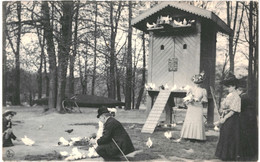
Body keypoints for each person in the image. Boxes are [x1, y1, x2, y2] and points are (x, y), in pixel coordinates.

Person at [175, 71, 208, 142]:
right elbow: (186, 99)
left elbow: (205, 100)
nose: (197, 84)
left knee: (197, 120)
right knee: (189, 120)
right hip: (191, 107)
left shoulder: (203, 90)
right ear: (193, 82)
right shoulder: (190, 89)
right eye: (196, 82)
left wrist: (199, 100)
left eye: (199, 82)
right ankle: (188, 136)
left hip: (198, 107)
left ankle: (197, 137)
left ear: (201, 83)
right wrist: (189, 100)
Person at [215, 72, 241, 161]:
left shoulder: (237, 96)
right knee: (224, 134)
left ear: (234, 86)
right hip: (227, 115)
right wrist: (223, 110)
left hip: (232, 118)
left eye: (229, 86)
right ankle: (223, 154)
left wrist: (224, 118)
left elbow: (233, 110)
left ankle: (229, 155)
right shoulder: (229, 95)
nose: (228, 88)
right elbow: (225, 106)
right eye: (227, 86)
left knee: (229, 135)